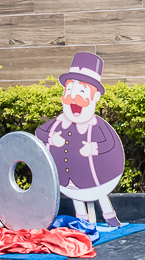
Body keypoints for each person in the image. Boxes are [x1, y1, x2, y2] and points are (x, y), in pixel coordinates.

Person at [35, 52, 126, 228]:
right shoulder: (59, 123)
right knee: (77, 197)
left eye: (82, 91)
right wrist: (51, 138)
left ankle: (110, 218)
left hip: (96, 178)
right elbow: (39, 132)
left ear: (95, 98)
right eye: (69, 90)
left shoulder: (96, 124)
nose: (73, 97)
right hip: (69, 180)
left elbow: (111, 143)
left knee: (100, 195)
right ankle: (82, 222)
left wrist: (94, 149)